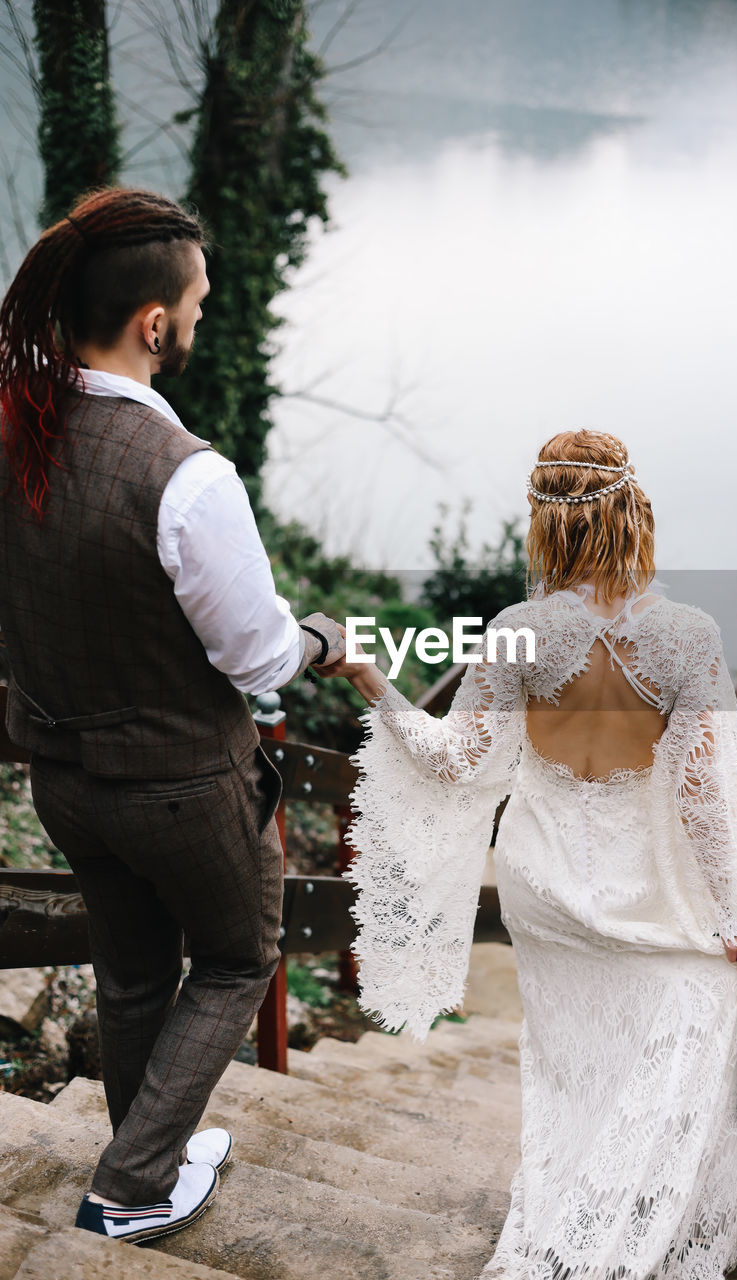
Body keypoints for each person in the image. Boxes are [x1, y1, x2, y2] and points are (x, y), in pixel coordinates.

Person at [324, 429, 737, 1279]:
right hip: (645, 893)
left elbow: (452, 761)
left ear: (544, 526)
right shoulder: (687, 637)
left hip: (545, 884)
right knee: (701, 1003)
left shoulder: (519, 633)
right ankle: (633, 1225)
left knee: (569, 1069)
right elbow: (706, 797)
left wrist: (369, 675)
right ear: (634, 514)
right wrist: (734, 919)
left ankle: (577, 1212)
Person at [0, 187, 344, 1242]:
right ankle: (136, 1182)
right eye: (196, 302)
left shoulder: (15, 433)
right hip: (184, 789)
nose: (200, 317)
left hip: (61, 775)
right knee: (239, 955)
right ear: (155, 323)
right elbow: (259, 654)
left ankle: (143, 1144)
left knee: (134, 964)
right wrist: (323, 638)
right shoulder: (187, 478)